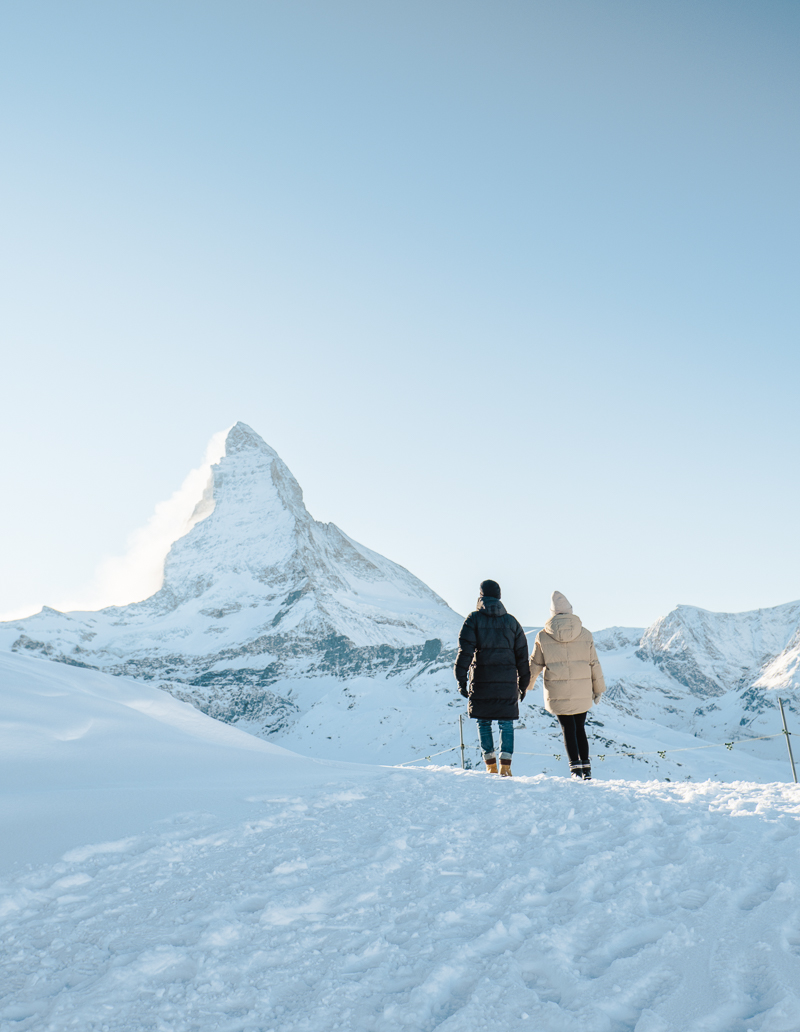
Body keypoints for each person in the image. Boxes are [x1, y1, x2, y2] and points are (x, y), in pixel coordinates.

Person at [454, 579, 530, 776]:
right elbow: (522, 656)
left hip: (482, 680)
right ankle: (506, 767)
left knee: (484, 722)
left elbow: (465, 652)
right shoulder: (512, 622)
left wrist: (460, 678)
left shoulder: (473, 619)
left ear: (481, 596)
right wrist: (524, 683)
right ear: (499, 597)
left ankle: (491, 766)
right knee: (506, 722)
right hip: (507, 683)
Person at [529, 590, 606, 780]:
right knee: (580, 727)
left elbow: (535, 664)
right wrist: (598, 689)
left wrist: (524, 686)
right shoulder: (585, 633)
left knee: (567, 729)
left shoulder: (543, 636)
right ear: (570, 611)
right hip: (582, 691)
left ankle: (575, 770)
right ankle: (586, 769)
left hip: (557, 690)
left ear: (552, 613)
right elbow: (594, 663)